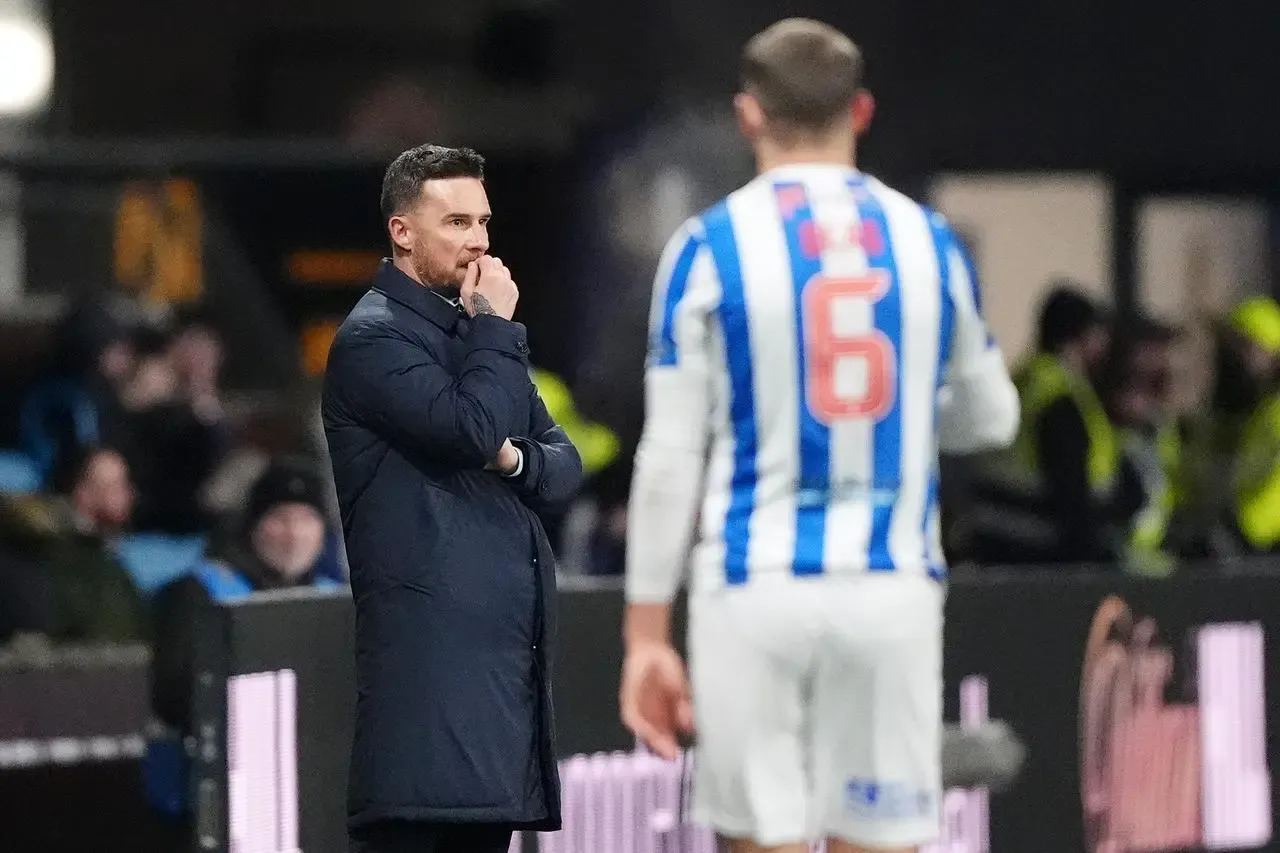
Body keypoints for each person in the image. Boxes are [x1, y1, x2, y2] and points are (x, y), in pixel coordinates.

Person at [618, 18, 1019, 853]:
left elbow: (669, 460)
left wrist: (646, 636)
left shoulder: (706, 247)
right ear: (862, 112)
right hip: (890, 588)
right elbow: (993, 419)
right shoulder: (928, 241)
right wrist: (907, 416)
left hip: (754, 584)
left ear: (748, 116)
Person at [322, 144, 583, 853]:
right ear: (402, 231)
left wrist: (510, 455)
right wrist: (496, 333)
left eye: (484, 221)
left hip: (493, 694)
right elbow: (470, 427)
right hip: (427, 698)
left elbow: (563, 464)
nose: (480, 242)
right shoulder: (374, 340)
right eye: (458, 222)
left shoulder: (470, 334)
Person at [144, 456, 343, 822]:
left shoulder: (333, 598)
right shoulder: (203, 592)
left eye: (306, 520)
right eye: (280, 519)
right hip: (212, 793)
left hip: (309, 793)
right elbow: (172, 693)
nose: (293, 534)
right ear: (255, 525)